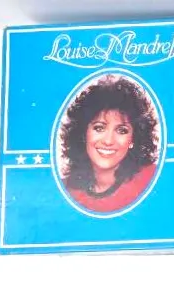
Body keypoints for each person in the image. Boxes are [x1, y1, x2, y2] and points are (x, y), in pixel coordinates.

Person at [59, 74, 159, 213]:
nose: (108, 141)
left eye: (122, 130)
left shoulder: (152, 179)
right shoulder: (64, 189)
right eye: (99, 128)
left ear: (134, 139)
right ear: (83, 133)